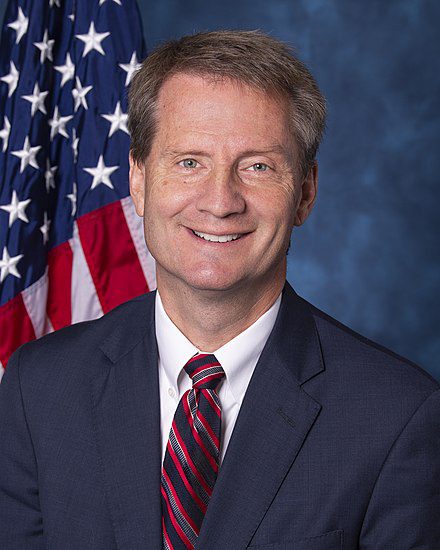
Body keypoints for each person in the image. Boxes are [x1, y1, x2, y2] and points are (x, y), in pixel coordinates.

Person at [0, 30, 439, 549]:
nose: (220, 201)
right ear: (138, 181)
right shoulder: (40, 387)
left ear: (305, 192)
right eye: (189, 162)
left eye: (257, 166)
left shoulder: (398, 415)